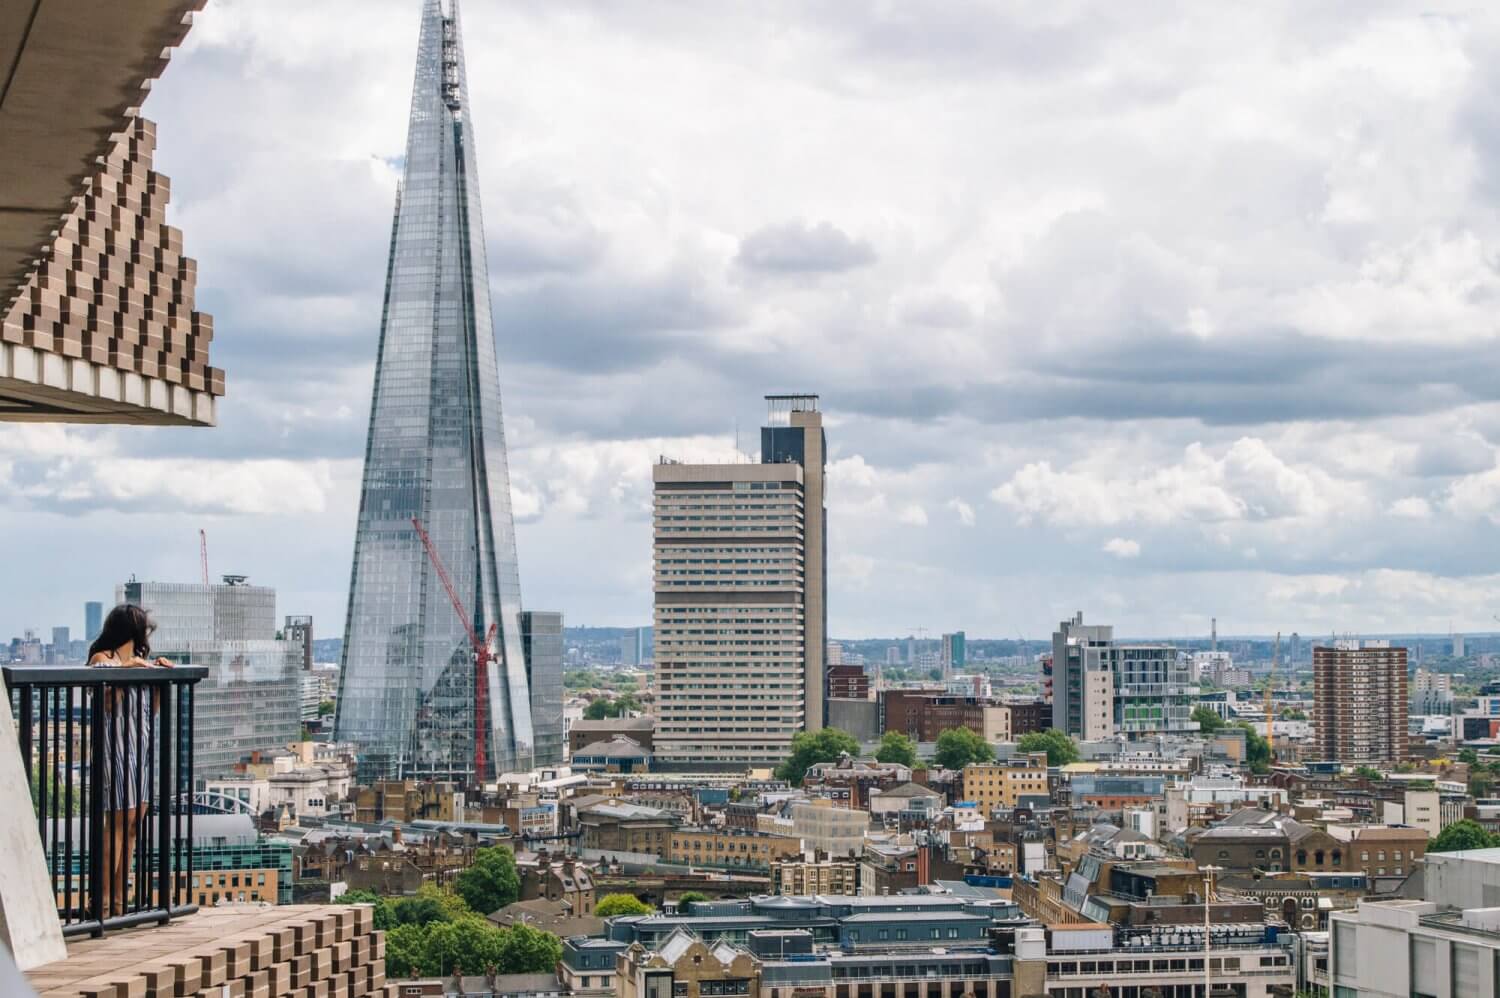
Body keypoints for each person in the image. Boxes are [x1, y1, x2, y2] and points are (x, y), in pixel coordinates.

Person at [86, 604, 172, 918]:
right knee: (118, 824)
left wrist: (159, 677)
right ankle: (104, 901)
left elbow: (153, 711)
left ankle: (121, 900)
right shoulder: (103, 660)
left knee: (133, 825)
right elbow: (107, 703)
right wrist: (128, 670)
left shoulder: (142, 663)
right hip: (117, 750)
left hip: (142, 748)